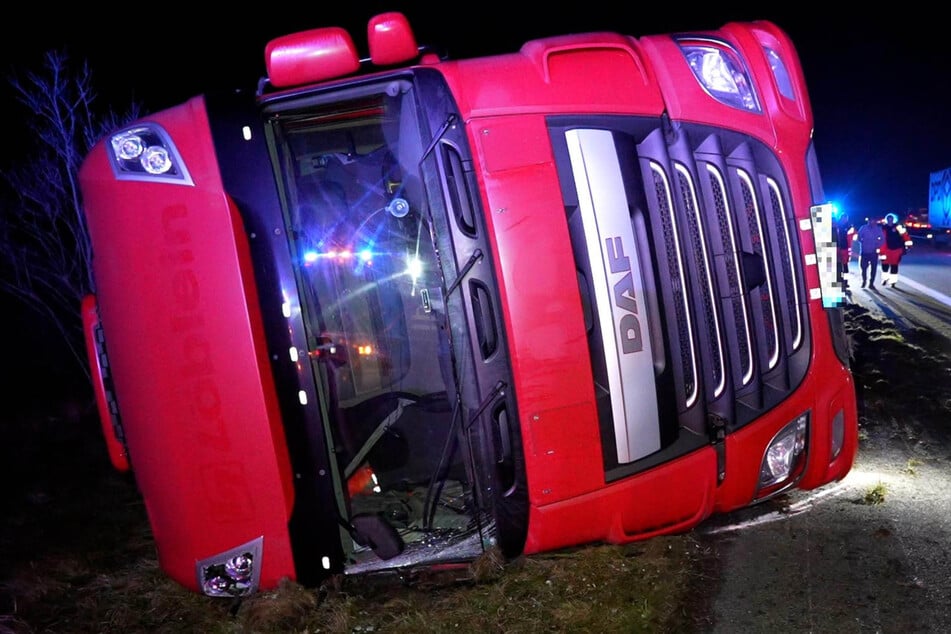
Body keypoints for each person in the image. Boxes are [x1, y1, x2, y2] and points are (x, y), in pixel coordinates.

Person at [879, 213, 912, 287]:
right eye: (888, 219)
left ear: (893, 220)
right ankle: (885, 279)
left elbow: (905, 235)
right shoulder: (882, 228)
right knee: (884, 265)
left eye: (891, 219)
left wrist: (908, 245)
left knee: (894, 266)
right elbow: (878, 238)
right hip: (885, 250)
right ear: (886, 220)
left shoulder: (898, 227)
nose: (890, 221)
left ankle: (893, 282)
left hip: (896, 250)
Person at [855, 216, 884, 288]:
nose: (872, 222)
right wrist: (861, 241)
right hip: (864, 251)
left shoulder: (878, 229)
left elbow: (882, 239)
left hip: (873, 252)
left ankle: (871, 283)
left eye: (874, 221)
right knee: (863, 268)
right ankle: (864, 281)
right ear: (868, 221)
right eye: (871, 221)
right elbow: (858, 236)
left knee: (873, 268)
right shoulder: (863, 228)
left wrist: (878, 245)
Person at [834, 216, 855, 290]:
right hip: (837, 248)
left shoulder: (849, 227)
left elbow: (853, 236)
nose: (845, 220)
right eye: (843, 219)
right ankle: (839, 282)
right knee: (838, 266)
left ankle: (846, 282)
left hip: (845, 248)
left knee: (845, 266)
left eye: (846, 219)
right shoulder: (836, 226)